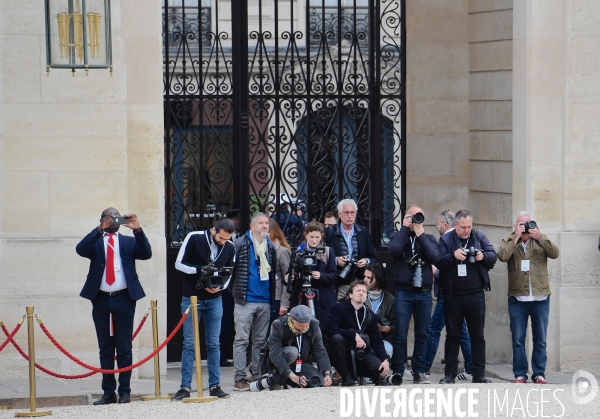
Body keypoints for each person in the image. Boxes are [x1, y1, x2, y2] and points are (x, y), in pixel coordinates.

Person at [76, 208, 152, 405]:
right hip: (100, 299)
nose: (113, 221)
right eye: (109, 218)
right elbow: (80, 249)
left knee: (124, 347)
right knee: (105, 348)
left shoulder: (128, 241)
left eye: (116, 218)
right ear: (102, 220)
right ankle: (108, 392)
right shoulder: (96, 242)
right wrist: (98, 230)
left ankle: (124, 392)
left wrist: (137, 230)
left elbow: (146, 253)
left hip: (124, 298)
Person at [170, 218, 236, 401]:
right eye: (221, 238)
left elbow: (229, 272)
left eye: (227, 239)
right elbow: (179, 264)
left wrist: (220, 286)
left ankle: (215, 385)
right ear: (214, 230)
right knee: (189, 343)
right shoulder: (195, 237)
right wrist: (200, 270)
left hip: (215, 299)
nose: (223, 242)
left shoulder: (230, 246)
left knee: (214, 343)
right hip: (192, 298)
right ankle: (185, 386)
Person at [497, 211, 559, 384]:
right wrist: (516, 237)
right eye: (521, 224)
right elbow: (502, 256)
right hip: (518, 299)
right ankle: (520, 374)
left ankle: (539, 374)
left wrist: (540, 237)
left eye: (527, 223)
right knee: (518, 339)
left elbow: (555, 253)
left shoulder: (540, 239)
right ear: (515, 225)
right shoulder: (510, 240)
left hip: (540, 299)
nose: (525, 227)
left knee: (540, 339)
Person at [437, 209, 497, 384]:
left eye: (469, 226)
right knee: (452, 335)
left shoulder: (478, 237)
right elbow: (438, 260)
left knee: (477, 335)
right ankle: (450, 374)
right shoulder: (446, 240)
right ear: (455, 225)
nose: (466, 230)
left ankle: (479, 375)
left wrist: (482, 256)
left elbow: (493, 257)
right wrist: (452, 256)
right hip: (453, 295)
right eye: (463, 227)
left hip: (475, 294)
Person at [388, 205, 440, 384]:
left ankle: (419, 371)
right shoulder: (399, 236)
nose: (415, 220)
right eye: (412, 217)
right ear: (405, 218)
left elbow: (435, 258)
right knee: (400, 333)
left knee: (422, 333)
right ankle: (398, 371)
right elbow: (393, 251)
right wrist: (404, 229)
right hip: (403, 292)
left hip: (424, 293)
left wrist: (421, 235)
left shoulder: (429, 238)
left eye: (419, 217)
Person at [424, 210, 473, 380]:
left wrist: (434, 270)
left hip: (449, 293)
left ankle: (424, 368)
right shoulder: (452, 239)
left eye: (438, 223)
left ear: (446, 225)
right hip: (454, 292)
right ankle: (471, 367)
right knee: (461, 332)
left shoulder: (448, 240)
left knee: (434, 330)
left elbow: (445, 269)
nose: (436, 226)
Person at [230, 212, 277, 391]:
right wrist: (237, 293)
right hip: (245, 300)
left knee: (259, 341)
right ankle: (240, 377)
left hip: (264, 300)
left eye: (266, 223)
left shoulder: (270, 246)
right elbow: (230, 273)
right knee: (241, 340)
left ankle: (256, 374)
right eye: (261, 223)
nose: (265, 226)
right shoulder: (239, 243)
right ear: (252, 226)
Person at [326, 280, 390, 386]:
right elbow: (331, 329)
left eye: (364, 291)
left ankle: (357, 375)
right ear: (350, 294)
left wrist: (385, 359)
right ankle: (345, 376)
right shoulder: (338, 309)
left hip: (361, 353)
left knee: (379, 369)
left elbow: (377, 340)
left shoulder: (369, 314)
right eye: (358, 291)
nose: (361, 293)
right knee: (336, 338)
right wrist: (353, 334)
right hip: (342, 352)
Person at [324, 199, 378, 300]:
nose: (349, 216)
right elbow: (321, 256)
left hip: (359, 281)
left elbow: (374, 257)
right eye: (346, 212)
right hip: (337, 282)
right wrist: (335, 260)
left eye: (352, 212)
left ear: (356, 214)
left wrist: (366, 261)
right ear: (339, 214)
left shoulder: (363, 232)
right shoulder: (329, 232)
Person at [267, 305, 333, 388]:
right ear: (292, 319)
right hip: (281, 363)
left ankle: (294, 381)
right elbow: (275, 354)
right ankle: (280, 377)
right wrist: (291, 375)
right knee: (292, 352)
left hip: (302, 363)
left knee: (319, 381)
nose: (304, 328)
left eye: (306, 325)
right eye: (300, 325)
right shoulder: (278, 325)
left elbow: (320, 350)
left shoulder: (314, 325)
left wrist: (327, 373)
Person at [290, 221, 338, 331]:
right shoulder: (298, 251)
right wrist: (290, 278)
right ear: (306, 235)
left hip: (323, 298)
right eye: (311, 236)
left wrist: (321, 276)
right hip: (301, 296)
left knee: (322, 329)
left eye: (317, 237)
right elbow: (292, 273)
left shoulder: (328, 251)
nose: (314, 240)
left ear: (322, 235)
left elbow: (334, 275)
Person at [363, 262, 395, 358]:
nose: (365, 280)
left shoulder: (390, 299)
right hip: (361, 337)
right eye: (365, 276)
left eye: (369, 278)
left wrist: (386, 328)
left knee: (388, 349)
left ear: (378, 279)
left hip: (379, 338)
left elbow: (395, 324)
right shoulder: (360, 293)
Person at [268, 219, 292, 325]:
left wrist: (284, 303)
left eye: (267, 231)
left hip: (277, 298)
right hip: (264, 297)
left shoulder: (282, 251)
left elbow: (287, 278)